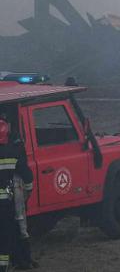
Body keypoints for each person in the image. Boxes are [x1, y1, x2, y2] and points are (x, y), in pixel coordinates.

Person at [0, 115, 33, 272]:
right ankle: (14, 263)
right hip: (7, 202)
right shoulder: (13, 149)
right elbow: (24, 170)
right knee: (10, 232)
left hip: (7, 200)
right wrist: (29, 188)